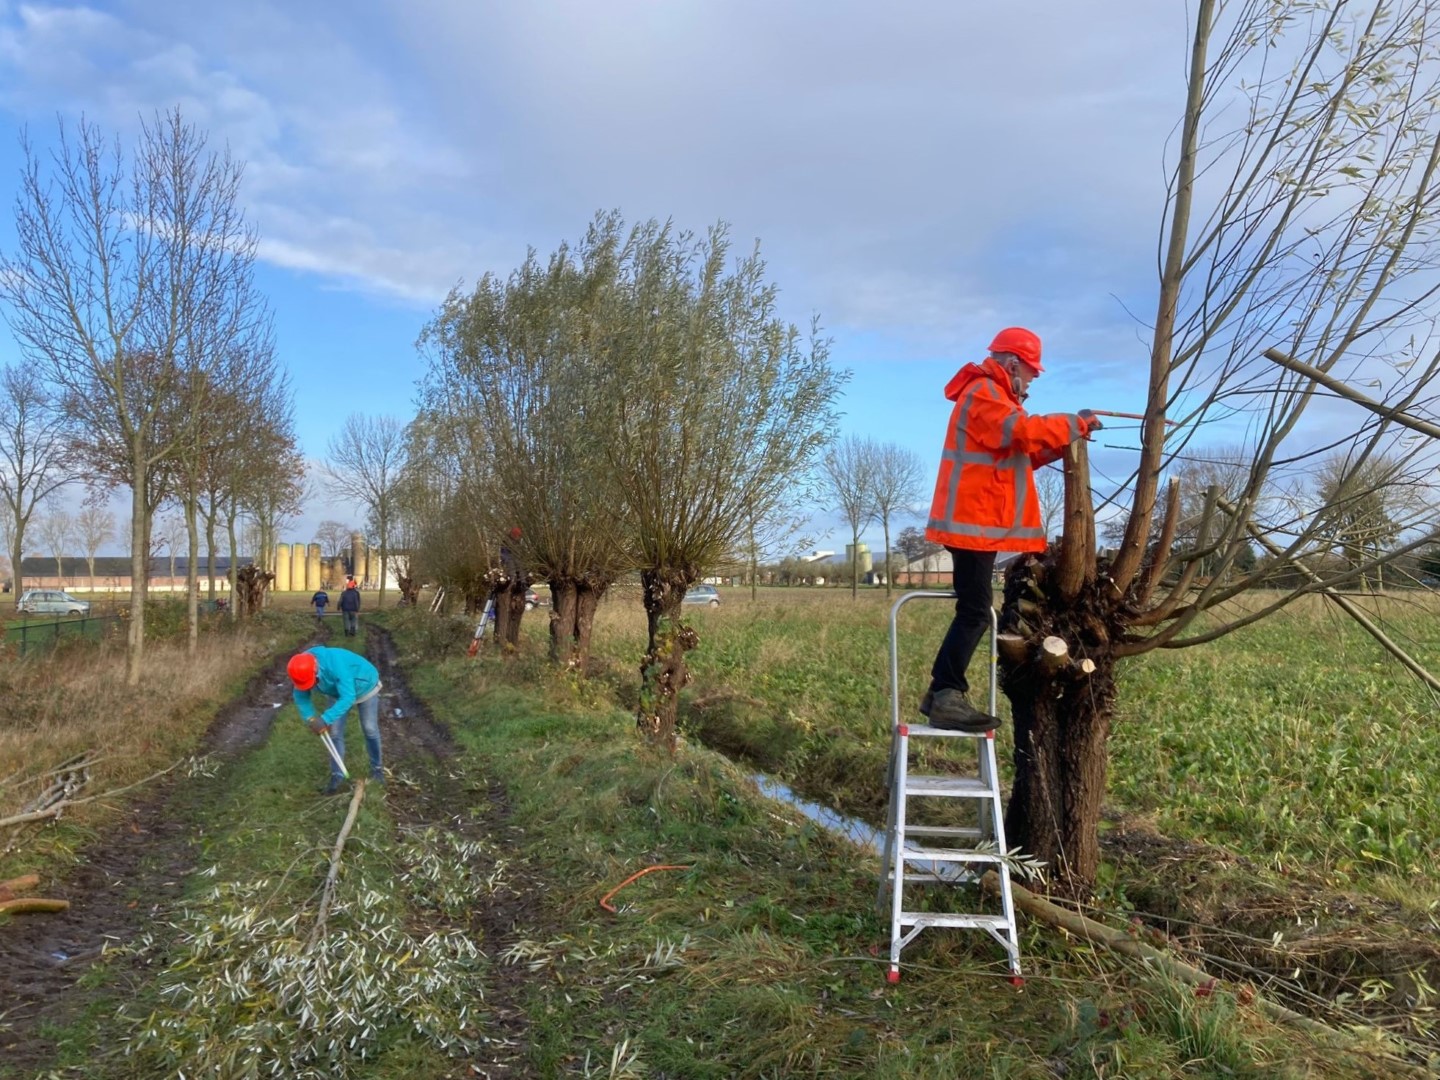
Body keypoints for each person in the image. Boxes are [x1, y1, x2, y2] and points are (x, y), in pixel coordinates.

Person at [921, 326, 1101, 732]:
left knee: (976, 610)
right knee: (975, 612)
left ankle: (938, 695)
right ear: (1013, 363)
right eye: (1033, 371)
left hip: (976, 524)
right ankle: (946, 695)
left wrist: (1066, 440)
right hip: (971, 524)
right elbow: (1021, 433)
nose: (1034, 379)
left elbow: (1022, 453)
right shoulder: (984, 393)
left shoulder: (995, 398)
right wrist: (1073, 423)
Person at [287, 646, 385, 793]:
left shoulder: (335, 665)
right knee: (335, 733)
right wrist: (311, 719)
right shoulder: (300, 669)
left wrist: (326, 719)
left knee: (369, 728)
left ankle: (377, 769)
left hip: (365, 685)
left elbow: (348, 696)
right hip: (337, 691)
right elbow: (301, 697)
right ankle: (337, 775)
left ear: (315, 669)